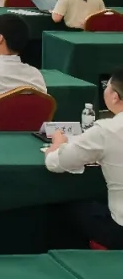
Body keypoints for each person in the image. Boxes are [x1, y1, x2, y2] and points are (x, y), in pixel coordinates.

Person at [45, 68, 123, 249]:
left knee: (64, 205)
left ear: (115, 97)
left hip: (119, 230)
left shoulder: (107, 130)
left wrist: (57, 144)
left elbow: (55, 163)